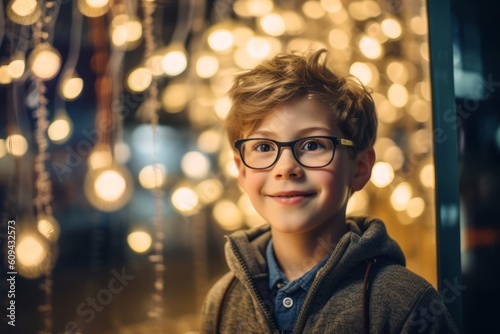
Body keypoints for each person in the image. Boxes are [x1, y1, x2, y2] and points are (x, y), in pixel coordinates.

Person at [200, 49, 459, 333]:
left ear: (359, 168)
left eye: (313, 145)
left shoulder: (405, 305)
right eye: (263, 147)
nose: (286, 168)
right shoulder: (222, 300)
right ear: (241, 170)